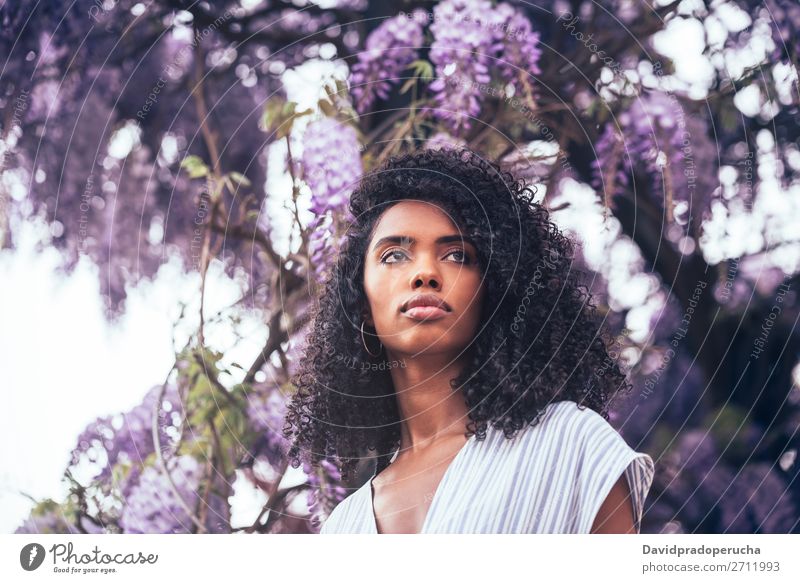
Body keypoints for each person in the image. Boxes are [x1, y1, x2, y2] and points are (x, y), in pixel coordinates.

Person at [282, 147, 654, 534]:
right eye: (394, 255)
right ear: (360, 304)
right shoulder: (341, 530)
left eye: (457, 255)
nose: (425, 273)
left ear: (493, 291)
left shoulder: (571, 443)